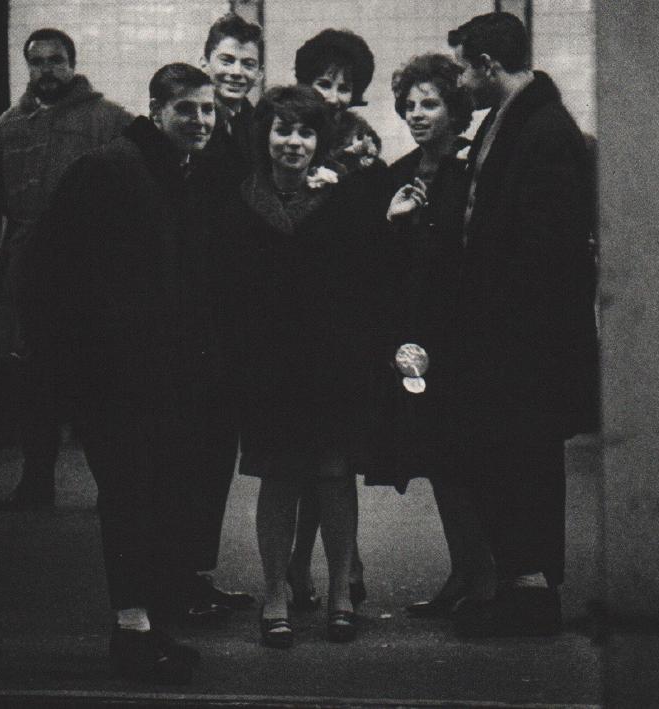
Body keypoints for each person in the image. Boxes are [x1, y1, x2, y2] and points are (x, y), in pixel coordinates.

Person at [21, 63, 245, 683]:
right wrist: (76, 368)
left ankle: (145, 626)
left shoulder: (174, 174)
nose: (201, 121)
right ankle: (133, 632)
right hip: (118, 380)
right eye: (186, 110)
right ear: (154, 111)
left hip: (156, 380)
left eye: (208, 110)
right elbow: (52, 274)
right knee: (131, 502)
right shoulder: (112, 170)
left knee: (148, 502)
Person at [445, 12, 599, 637]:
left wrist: (496, 321)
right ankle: (523, 587)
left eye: (462, 67)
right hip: (507, 337)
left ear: (486, 65)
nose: (458, 81)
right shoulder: (517, 123)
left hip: (521, 342)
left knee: (523, 464)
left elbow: (548, 251)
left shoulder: (543, 130)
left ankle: (531, 597)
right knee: (509, 462)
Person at [219, 85, 379, 647]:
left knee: (335, 477)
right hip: (267, 367)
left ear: (321, 140)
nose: (294, 142)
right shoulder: (240, 202)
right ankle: (274, 593)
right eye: (283, 129)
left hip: (331, 364)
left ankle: (340, 591)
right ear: (264, 135)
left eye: (306, 131)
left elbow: (365, 284)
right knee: (278, 478)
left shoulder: (345, 200)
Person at [0, 28, 134, 511]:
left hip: (92, 272)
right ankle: (36, 483)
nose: (46, 71)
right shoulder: (7, 128)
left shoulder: (109, 121)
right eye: (36, 62)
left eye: (56, 61)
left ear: (73, 63)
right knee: (33, 384)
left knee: (97, 382)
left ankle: (114, 490)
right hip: (27, 272)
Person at [364, 52, 497, 619]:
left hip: (466, 337)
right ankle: (464, 572)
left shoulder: (474, 171)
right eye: (409, 105)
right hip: (416, 344)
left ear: (455, 108)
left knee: (467, 456)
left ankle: (484, 576)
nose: (416, 114)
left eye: (430, 103)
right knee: (440, 459)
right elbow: (386, 266)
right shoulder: (399, 175)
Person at [286, 28, 376, 613]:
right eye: (325, 83)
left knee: (334, 457)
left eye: (346, 86)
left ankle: (334, 565)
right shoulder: (287, 135)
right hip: (292, 315)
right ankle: (304, 563)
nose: (336, 96)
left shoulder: (363, 146)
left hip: (346, 315)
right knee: (300, 456)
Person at [200, 12, 264, 187]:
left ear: (259, 74)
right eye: (227, 61)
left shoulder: (261, 126)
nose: (237, 72)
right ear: (205, 63)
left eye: (248, 64)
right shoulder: (189, 120)